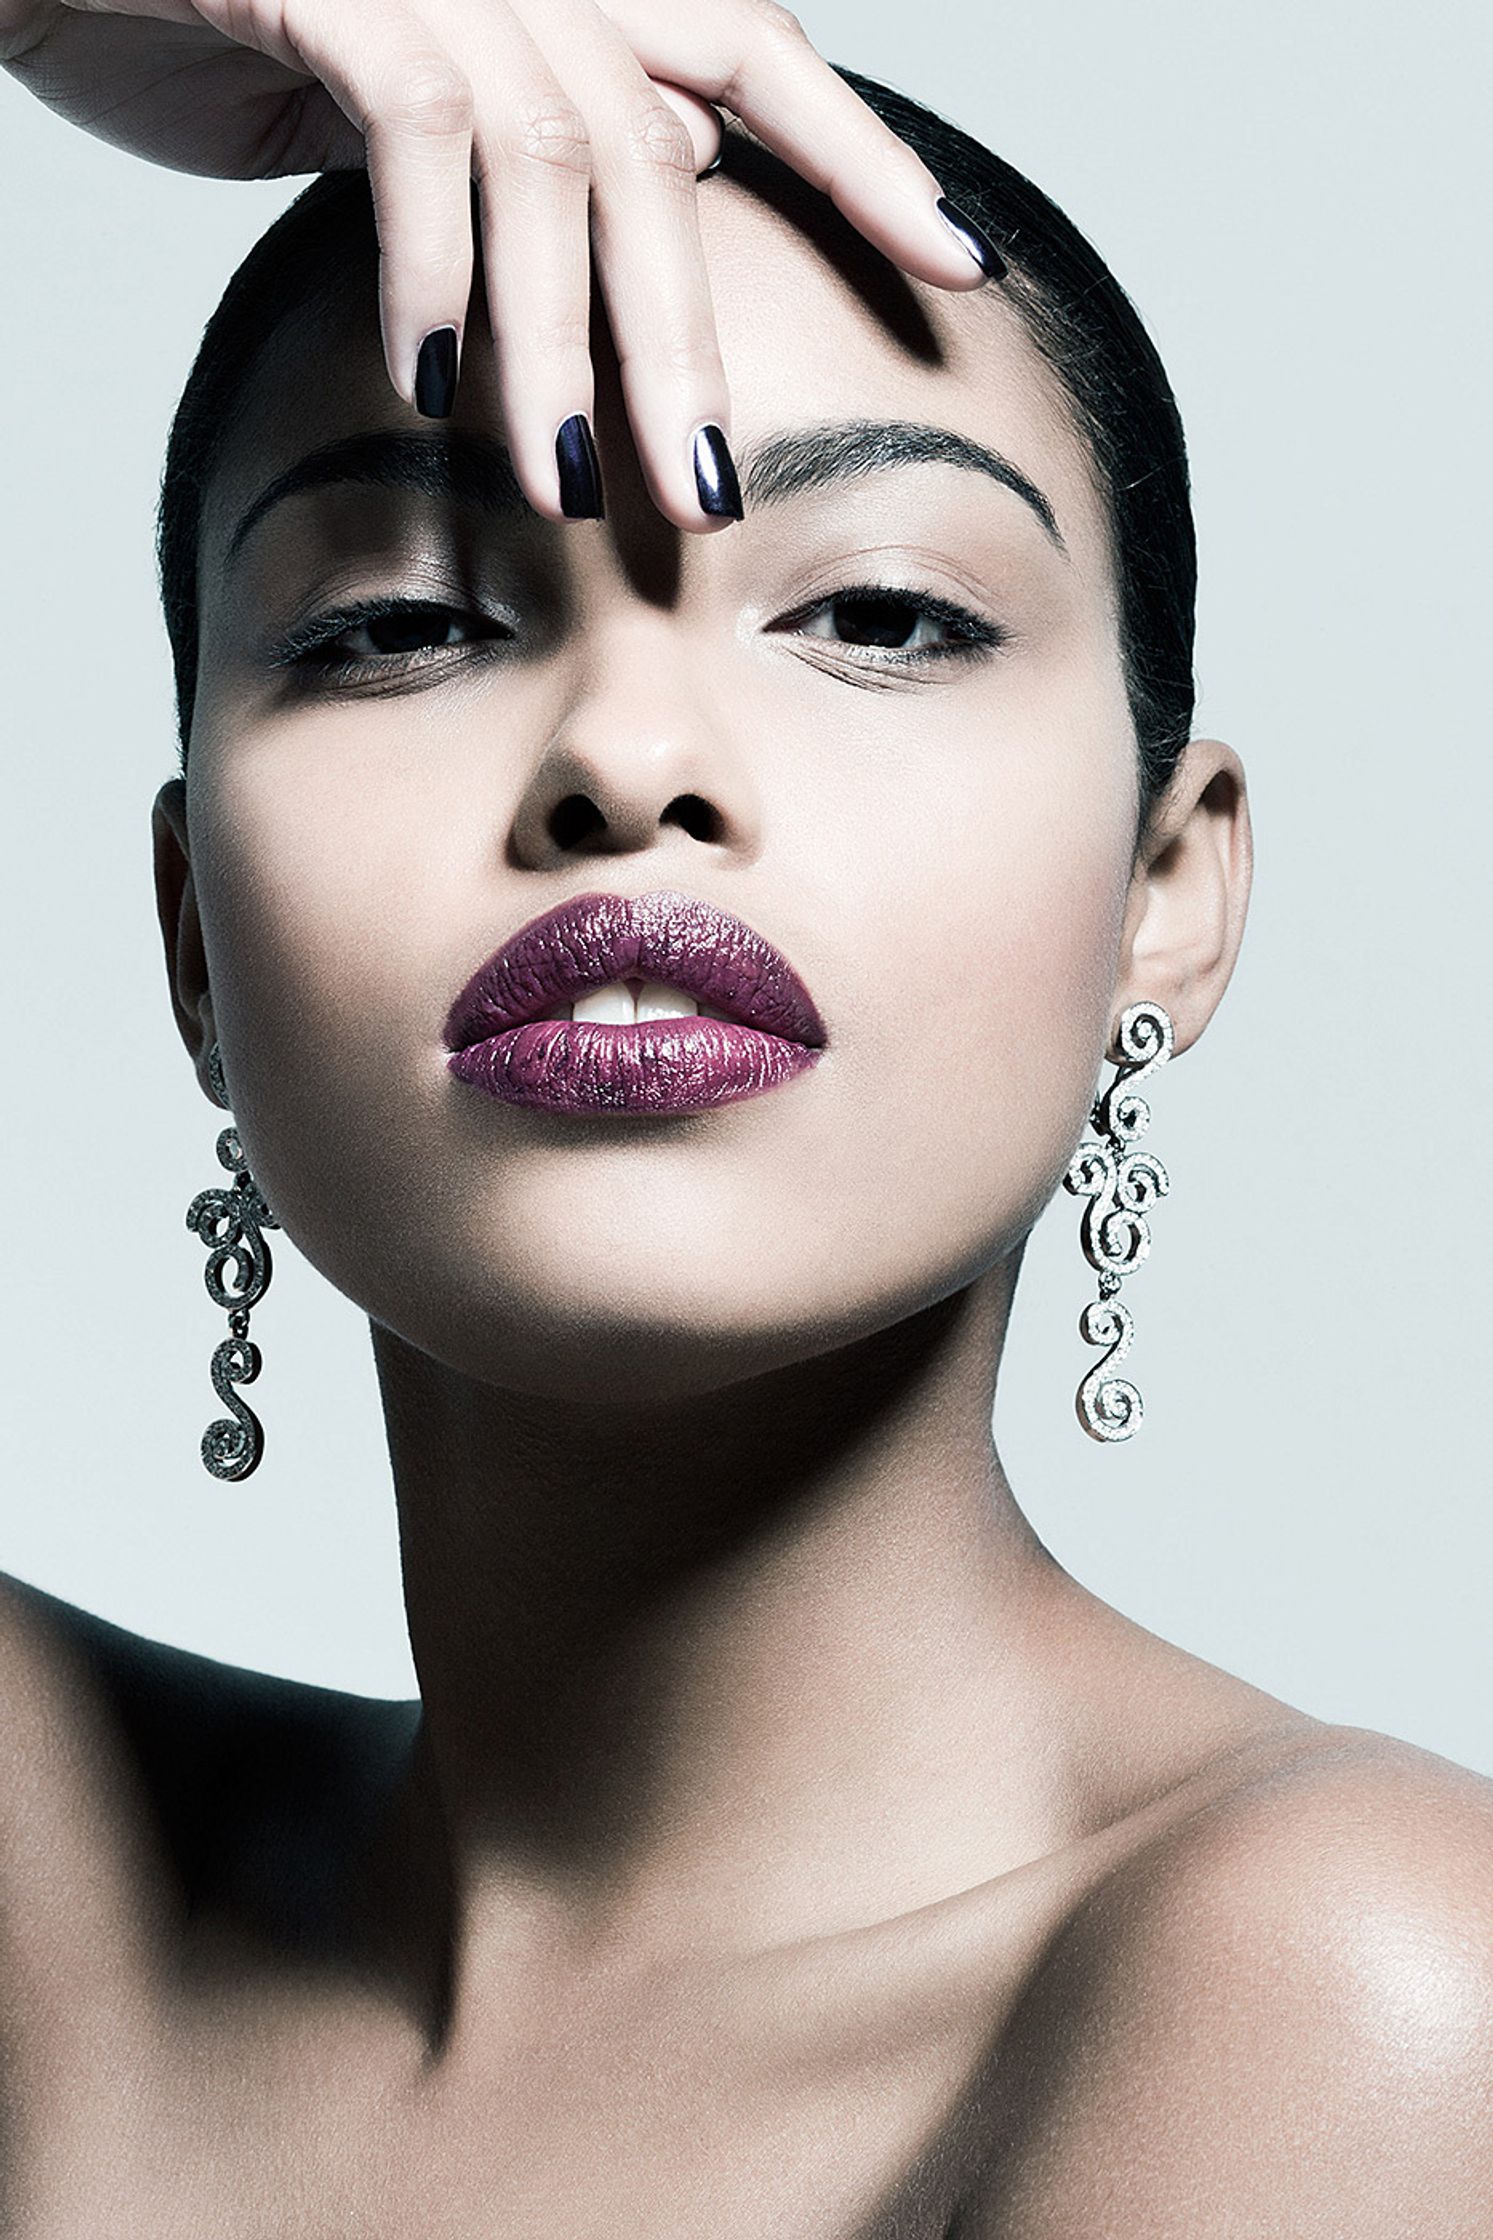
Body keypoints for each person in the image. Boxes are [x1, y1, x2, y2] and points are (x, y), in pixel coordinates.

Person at [2, 3, 1490, 2230]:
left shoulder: (1347, 1980)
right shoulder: (59, 1890)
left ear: (1161, 895)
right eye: (402, 623)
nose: (629, 756)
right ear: (193, 933)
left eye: (880, 611)